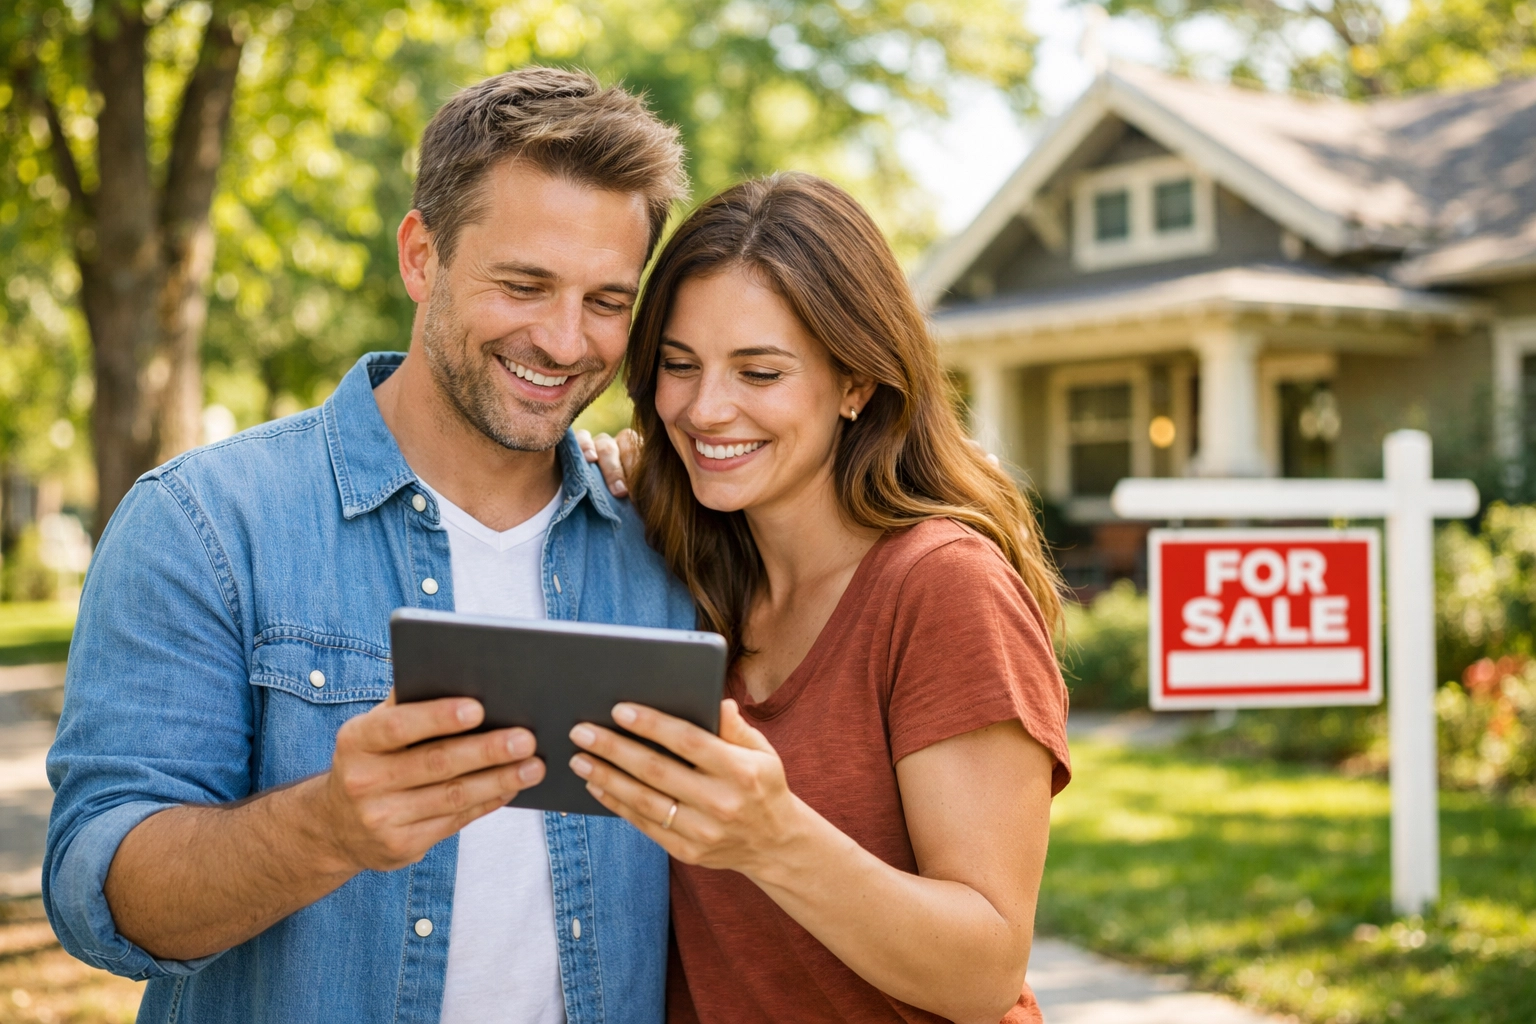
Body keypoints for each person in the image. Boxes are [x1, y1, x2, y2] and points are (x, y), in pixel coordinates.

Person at [43, 68, 693, 1024]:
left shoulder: (668, 541)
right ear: (421, 256)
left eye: (606, 301)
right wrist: (328, 827)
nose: (565, 342)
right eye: (523, 284)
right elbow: (95, 890)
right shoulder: (206, 522)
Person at [567, 173, 1073, 1024]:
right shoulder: (674, 563)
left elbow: (985, 972)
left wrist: (774, 839)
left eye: (759, 371)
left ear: (855, 384)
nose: (706, 409)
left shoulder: (943, 587)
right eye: (679, 366)